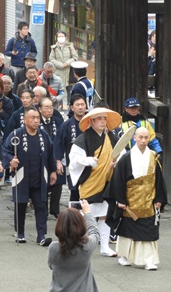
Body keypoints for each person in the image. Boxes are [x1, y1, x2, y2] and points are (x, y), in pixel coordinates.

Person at [104, 127, 167, 270]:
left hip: (148, 200)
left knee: (149, 230)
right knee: (127, 230)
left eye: (146, 138)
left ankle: (149, 260)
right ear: (134, 138)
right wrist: (120, 200)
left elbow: (158, 180)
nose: (143, 141)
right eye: (141, 137)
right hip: (130, 200)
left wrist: (159, 198)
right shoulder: (126, 158)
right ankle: (124, 256)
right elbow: (118, 180)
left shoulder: (154, 156)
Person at [68, 107, 120, 257]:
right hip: (90, 181)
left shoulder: (111, 137)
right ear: (92, 121)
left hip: (106, 180)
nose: (103, 121)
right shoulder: (83, 139)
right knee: (86, 213)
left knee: (104, 213)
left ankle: (104, 246)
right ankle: (82, 244)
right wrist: (87, 160)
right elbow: (74, 159)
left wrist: (115, 163)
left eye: (104, 119)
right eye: (99, 119)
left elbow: (119, 153)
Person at [3, 106, 57, 245]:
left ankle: (41, 235)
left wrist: (53, 171)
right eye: (32, 118)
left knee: (41, 206)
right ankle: (20, 233)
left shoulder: (43, 135)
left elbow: (51, 154)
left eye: (37, 118)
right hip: (22, 176)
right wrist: (11, 160)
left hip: (39, 176)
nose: (36, 121)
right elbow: (5, 150)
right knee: (20, 205)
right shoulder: (16, 134)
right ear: (25, 119)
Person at [47, 203, 99, 292]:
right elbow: (94, 231)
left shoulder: (54, 248)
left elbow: (51, 266)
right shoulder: (87, 246)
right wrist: (87, 213)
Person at [53, 94, 87, 202]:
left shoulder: (91, 123)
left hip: (89, 163)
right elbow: (58, 144)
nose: (80, 107)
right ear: (72, 107)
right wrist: (58, 162)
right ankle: (75, 216)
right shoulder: (66, 125)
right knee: (75, 192)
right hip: (73, 164)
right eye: (77, 105)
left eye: (82, 104)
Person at [49, 30, 79, 97]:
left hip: (68, 71)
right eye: (59, 36)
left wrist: (67, 63)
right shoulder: (54, 48)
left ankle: (69, 103)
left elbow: (75, 57)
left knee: (69, 89)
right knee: (58, 89)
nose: (60, 38)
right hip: (58, 71)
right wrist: (60, 65)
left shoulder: (70, 46)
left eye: (62, 36)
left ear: (65, 37)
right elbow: (51, 59)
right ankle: (59, 104)